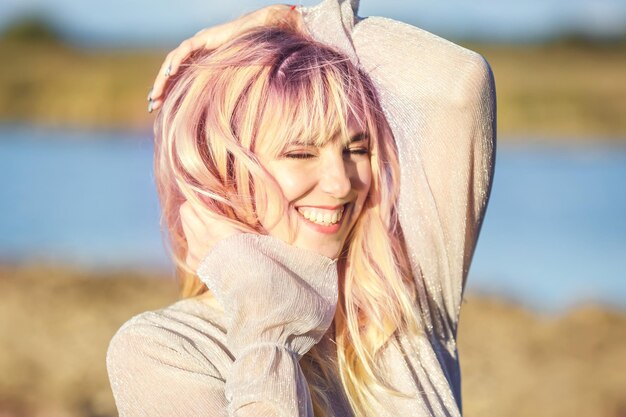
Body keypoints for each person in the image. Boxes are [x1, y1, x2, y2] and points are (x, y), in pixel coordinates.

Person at [106, 1, 496, 416]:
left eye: (356, 148)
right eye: (300, 153)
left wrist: (301, 24)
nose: (341, 183)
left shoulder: (399, 300)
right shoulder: (165, 349)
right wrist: (268, 323)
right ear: (228, 170)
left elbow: (461, 84)